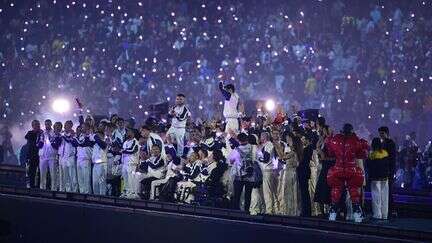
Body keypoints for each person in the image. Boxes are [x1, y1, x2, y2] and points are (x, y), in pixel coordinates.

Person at [326, 123, 368, 222]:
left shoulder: (335, 140)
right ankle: (357, 216)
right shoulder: (356, 141)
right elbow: (362, 154)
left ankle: (332, 215)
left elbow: (330, 153)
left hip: (338, 169)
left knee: (336, 192)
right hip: (351, 169)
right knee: (354, 192)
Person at [231, 133, 256, 213]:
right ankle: (246, 212)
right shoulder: (252, 147)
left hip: (239, 175)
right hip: (250, 175)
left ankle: (236, 213)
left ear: (238, 140)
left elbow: (231, 161)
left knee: (237, 196)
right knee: (248, 195)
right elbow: (256, 159)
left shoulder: (237, 149)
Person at [366, 138, 390, 220]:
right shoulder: (385, 153)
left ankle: (377, 214)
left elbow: (369, 166)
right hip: (385, 178)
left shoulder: (372, 155)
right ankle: (385, 215)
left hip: (375, 179)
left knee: (376, 197)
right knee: (385, 197)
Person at [277, 132, 300, 216]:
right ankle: (288, 209)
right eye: (286, 137)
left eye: (288, 137)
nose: (287, 139)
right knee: (287, 190)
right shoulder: (287, 147)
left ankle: (293, 210)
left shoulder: (294, 148)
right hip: (287, 169)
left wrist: (278, 148)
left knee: (292, 190)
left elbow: (284, 157)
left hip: (292, 170)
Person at [378, 126, 397, 218]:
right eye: (380, 133)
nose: (380, 135)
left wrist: (391, 171)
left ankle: (392, 209)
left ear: (387, 133)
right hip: (383, 170)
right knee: (384, 190)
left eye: (382, 133)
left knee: (388, 190)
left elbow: (392, 159)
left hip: (388, 170)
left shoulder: (390, 143)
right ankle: (387, 209)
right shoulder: (383, 143)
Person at [37, 120, 62, 190]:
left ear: (51, 124)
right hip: (42, 156)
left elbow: (56, 145)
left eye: (48, 124)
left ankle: (53, 189)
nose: (47, 125)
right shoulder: (42, 133)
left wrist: (50, 138)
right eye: (46, 124)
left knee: (53, 174)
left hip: (52, 156)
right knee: (42, 174)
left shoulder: (55, 133)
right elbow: (38, 144)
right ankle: (42, 189)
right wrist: (40, 139)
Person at [72, 122, 94, 194]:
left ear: (88, 128)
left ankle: (87, 195)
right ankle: (82, 194)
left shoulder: (91, 136)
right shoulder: (80, 136)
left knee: (86, 179)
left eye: (83, 127)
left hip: (86, 159)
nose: (82, 128)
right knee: (80, 179)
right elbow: (75, 144)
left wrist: (76, 139)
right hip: (79, 159)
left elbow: (83, 143)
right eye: (82, 127)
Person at [58, 120, 78, 192]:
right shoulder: (61, 134)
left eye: (69, 125)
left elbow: (75, 144)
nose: (67, 127)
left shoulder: (73, 134)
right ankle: (68, 191)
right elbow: (57, 143)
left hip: (71, 157)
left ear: (71, 126)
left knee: (73, 176)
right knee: (66, 176)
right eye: (66, 125)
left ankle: (75, 191)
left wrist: (69, 137)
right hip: (63, 157)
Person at [120, 127, 140, 198]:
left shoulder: (135, 142)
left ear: (133, 133)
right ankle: (124, 192)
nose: (127, 133)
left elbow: (132, 150)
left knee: (130, 179)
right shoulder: (125, 142)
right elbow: (123, 153)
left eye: (129, 132)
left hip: (132, 163)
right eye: (127, 132)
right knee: (124, 178)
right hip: (125, 163)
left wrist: (123, 150)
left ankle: (131, 193)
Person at [90, 124, 108, 195]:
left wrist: (95, 136)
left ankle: (102, 198)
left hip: (102, 164)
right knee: (95, 183)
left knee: (102, 183)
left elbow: (103, 145)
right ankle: (96, 198)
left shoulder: (107, 138)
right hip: (95, 164)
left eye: (102, 126)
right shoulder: (95, 140)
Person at [24, 120, 42, 188]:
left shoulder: (42, 133)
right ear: (32, 126)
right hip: (31, 155)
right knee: (31, 171)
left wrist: (39, 132)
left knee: (40, 172)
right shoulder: (30, 133)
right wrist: (36, 132)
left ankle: (39, 185)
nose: (37, 126)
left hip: (40, 155)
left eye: (38, 124)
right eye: (35, 125)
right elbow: (27, 137)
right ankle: (31, 185)